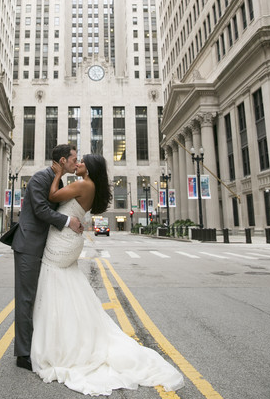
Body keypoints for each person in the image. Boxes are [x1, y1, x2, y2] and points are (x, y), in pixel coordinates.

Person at [30, 154, 184, 395]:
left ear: (89, 169)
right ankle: (70, 337)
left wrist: (59, 174)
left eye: (80, 162)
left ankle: (62, 343)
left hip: (62, 243)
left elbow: (51, 197)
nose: (77, 164)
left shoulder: (82, 184)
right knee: (67, 288)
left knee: (55, 285)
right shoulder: (89, 186)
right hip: (70, 241)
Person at [11, 144, 84, 372]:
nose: (76, 162)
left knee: (37, 298)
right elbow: (41, 210)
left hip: (42, 246)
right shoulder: (40, 178)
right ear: (63, 160)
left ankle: (34, 345)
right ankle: (23, 355)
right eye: (74, 158)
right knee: (26, 299)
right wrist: (68, 221)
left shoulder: (57, 179)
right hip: (28, 245)